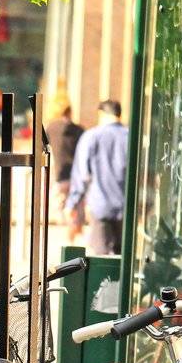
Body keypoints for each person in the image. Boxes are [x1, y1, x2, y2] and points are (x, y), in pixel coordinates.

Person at [66, 99, 129, 255]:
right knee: (123, 258)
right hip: (126, 207)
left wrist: (72, 203)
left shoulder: (91, 136)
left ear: (102, 114)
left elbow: (81, 174)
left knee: (101, 259)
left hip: (100, 205)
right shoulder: (131, 137)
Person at [41, 93, 83, 222]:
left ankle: (62, 219)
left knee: (59, 197)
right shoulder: (79, 130)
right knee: (73, 198)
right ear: (70, 113)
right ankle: (71, 220)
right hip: (75, 171)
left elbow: (43, 147)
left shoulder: (51, 127)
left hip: (58, 169)